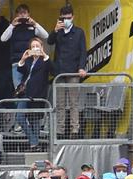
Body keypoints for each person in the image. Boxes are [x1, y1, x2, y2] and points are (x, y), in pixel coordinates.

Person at [48, 3, 87, 138]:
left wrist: (81, 67)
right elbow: (49, 41)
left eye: (68, 17)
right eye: (63, 18)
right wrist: (55, 30)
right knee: (59, 103)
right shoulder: (58, 32)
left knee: (73, 102)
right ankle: (60, 130)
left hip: (73, 72)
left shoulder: (79, 32)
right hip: (60, 72)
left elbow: (83, 51)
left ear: (73, 17)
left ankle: (74, 130)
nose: (66, 20)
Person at [0, 3, 48, 107]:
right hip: (17, 63)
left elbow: (45, 35)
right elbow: (3, 39)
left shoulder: (32, 27)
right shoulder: (13, 27)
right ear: (16, 14)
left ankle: (25, 118)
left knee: (30, 90)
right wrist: (12, 25)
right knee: (19, 91)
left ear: (28, 14)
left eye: (24, 13)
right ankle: (21, 120)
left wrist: (34, 23)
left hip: (30, 63)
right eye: (20, 13)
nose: (22, 15)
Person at [16, 37, 54, 151]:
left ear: (42, 47)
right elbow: (21, 70)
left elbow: (54, 70)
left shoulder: (45, 60)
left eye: (37, 46)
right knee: (20, 116)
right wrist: (23, 59)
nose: (35, 48)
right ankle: (34, 141)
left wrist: (44, 55)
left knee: (34, 119)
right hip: (25, 93)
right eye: (33, 46)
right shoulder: (28, 60)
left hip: (37, 93)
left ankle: (35, 145)